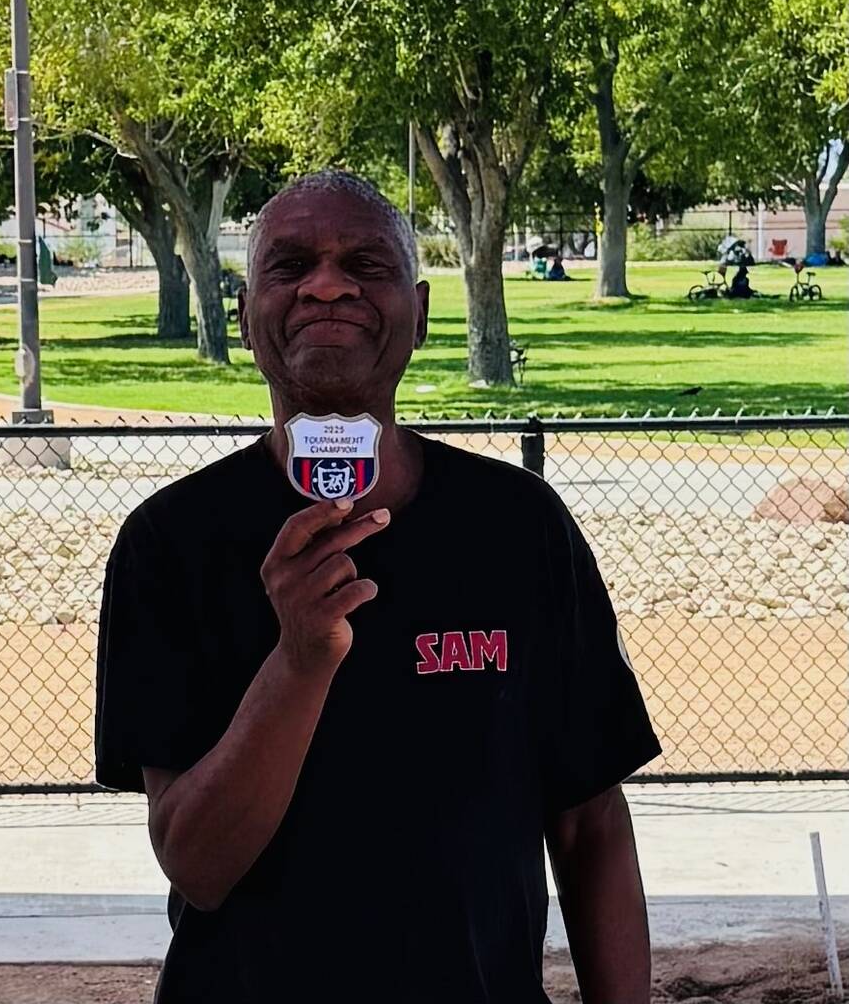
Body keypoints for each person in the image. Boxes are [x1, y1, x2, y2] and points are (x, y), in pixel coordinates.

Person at [95, 169, 661, 1004]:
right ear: (246, 314)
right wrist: (298, 659)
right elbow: (197, 864)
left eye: (366, 262)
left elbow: (590, 825)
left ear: (421, 313)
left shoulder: (518, 525)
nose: (328, 284)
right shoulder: (169, 541)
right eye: (288, 267)